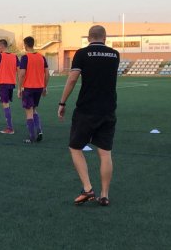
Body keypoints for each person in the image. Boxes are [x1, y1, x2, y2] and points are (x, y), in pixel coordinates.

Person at [58, 25, 119, 207]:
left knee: (75, 147)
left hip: (86, 109)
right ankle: (105, 195)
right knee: (105, 153)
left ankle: (87, 188)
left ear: (89, 38)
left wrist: (62, 102)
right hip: (108, 109)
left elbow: (73, 78)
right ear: (105, 38)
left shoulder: (82, 53)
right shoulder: (115, 54)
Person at [17, 36, 49, 144]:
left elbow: (21, 74)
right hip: (39, 88)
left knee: (29, 112)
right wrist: (45, 86)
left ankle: (31, 137)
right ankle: (39, 130)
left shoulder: (25, 57)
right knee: (34, 109)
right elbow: (47, 73)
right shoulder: (42, 57)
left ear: (25, 45)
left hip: (28, 88)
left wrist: (19, 88)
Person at [0, 39, 20, 134]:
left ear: (2, 46)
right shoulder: (15, 57)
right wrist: (20, 86)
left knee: (5, 104)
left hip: (3, 83)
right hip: (12, 84)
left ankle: (10, 128)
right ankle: (9, 126)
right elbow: (19, 71)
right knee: (6, 104)